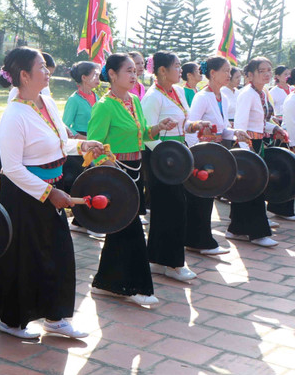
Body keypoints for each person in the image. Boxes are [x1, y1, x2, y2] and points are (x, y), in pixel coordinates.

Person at [0, 47, 103, 339]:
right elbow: (12, 167)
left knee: (58, 254)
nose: (48, 71)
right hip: (24, 196)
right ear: (24, 76)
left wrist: (81, 146)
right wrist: (48, 193)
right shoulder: (14, 115)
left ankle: (55, 316)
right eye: (42, 67)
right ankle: (12, 320)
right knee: (23, 259)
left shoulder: (47, 103)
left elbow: (59, 142)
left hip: (51, 188)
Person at [87, 54, 177, 306]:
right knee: (131, 230)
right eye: (128, 70)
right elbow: (94, 146)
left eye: (135, 70)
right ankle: (135, 286)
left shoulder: (134, 100)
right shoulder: (104, 106)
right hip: (116, 175)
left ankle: (106, 282)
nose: (134, 74)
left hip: (135, 170)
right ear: (112, 74)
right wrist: (109, 171)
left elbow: (142, 134)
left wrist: (158, 127)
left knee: (120, 231)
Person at [142, 51, 209, 281]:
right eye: (177, 66)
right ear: (162, 70)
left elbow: (184, 123)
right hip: (160, 160)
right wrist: (166, 157)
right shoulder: (152, 97)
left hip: (177, 157)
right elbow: (147, 135)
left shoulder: (178, 91)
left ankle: (159, 259)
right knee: (171, 208)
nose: (180, 70)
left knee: (171, 209)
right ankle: (172, 264)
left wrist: (196, 125)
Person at [186, 57, 250, 252]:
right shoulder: (202, 97)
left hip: (216, 154)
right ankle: (199, 241)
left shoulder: (222, 95)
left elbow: (222, 128)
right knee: (201, 199)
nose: (229, 75)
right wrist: (195, 155)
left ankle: (199, 240)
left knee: (207, 199)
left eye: (230, 71)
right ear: (212, 73)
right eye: (225, 70)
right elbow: (190, 126)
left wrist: (236, 132)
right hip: (202, 155)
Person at [226, 57, 287, 246]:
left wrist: (274, 129)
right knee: (252, 188)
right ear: (250, 75)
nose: (267, 73)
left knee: (248, 189)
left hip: (257, 144)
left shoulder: (262, 93)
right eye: (262, 70)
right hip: (248, 147)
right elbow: (242, 126)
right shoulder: (247, 94)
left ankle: (236, 229)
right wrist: (246, 155)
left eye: (269, 69)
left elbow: (259, 123)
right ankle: (257, 233)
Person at [62, 61, 104, 238]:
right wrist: (80, 138)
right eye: (95, 74)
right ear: (84, 78)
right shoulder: (74, 100)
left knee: (97, 181)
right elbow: (63, 125)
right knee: (87, 183)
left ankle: (81, 221)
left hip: (96, 144)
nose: (98, 78)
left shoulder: (98, 97)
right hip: (81, 147)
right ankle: (86, 221)